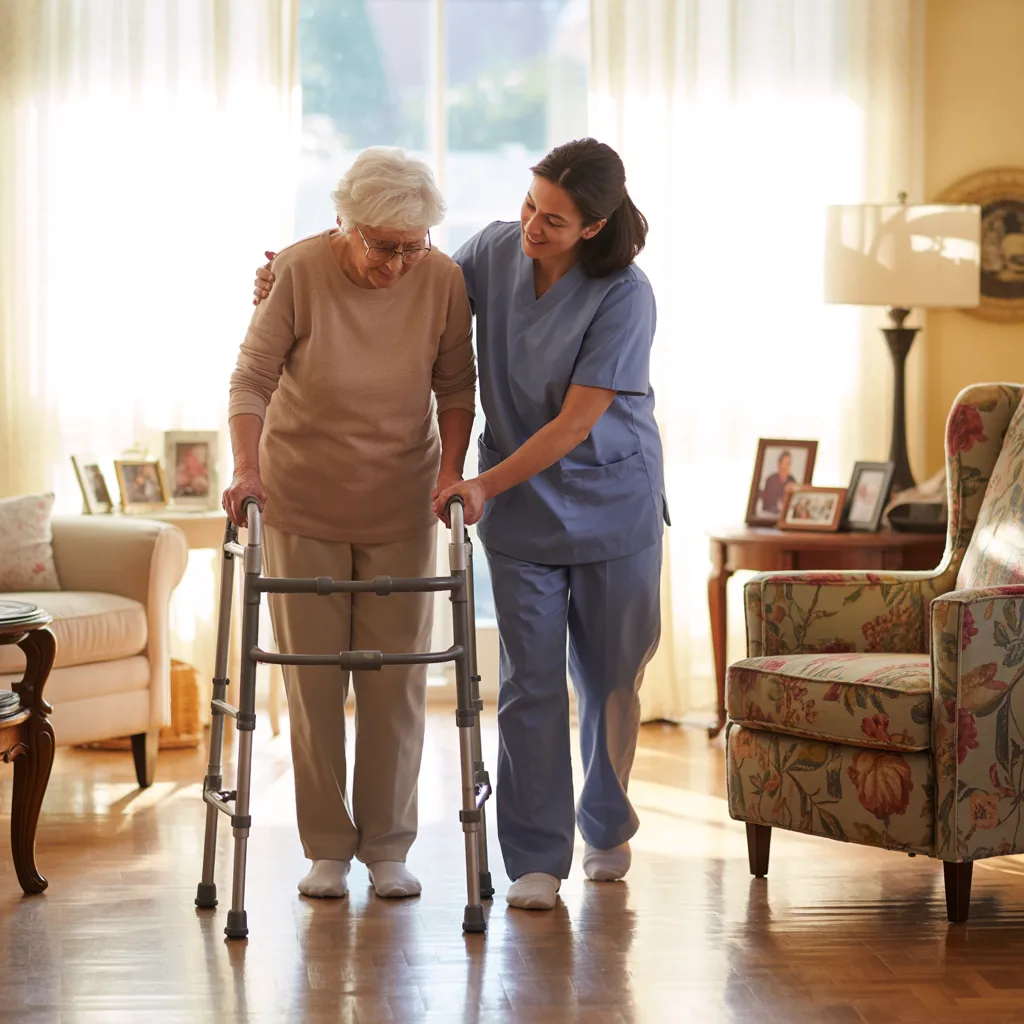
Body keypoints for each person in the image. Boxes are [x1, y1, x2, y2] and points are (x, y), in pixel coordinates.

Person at [254, 138, 666, 913]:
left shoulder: (626, 294)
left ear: (593, 226)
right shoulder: (492, 252)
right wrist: (300, 267)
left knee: (612, 680)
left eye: (553, 219)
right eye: (529, 204)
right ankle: (536, 860)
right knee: (529, 685)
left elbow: (578, 424)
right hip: (518, 510)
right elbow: (401, 274)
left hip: (611, 502)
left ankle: (607, 825)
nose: (532, 227)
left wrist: (475, 480)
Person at [224, 147, 476, 903]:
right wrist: (246, 468)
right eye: (383, 246)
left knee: (396, 683)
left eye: (413, 247)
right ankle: (327, 847)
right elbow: (251, 378)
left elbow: (456, 385)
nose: (398, 265)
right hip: (302, 498)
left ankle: (389, 846)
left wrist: (449, 471)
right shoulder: (299, 270)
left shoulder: (444, 279)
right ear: (346, 223)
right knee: (313, 682)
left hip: (403, 502)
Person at [758, 450, 797, 515]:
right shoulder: (770, 480)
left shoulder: (792, 482)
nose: (786, 467)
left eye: (789, 464)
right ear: (779, 464)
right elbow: (766, 503)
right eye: (784, 464)